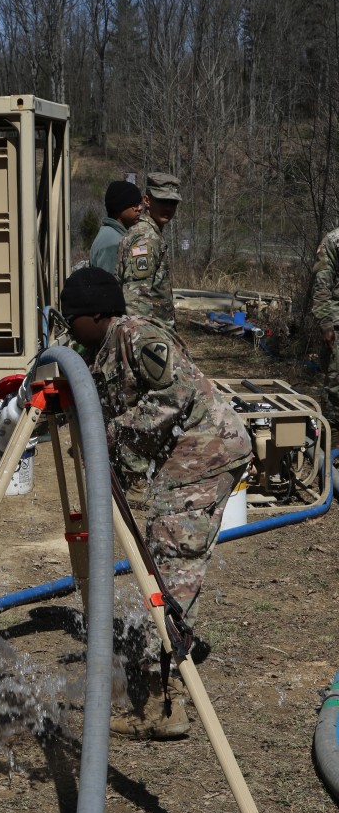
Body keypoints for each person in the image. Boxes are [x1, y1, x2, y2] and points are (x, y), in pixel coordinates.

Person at [60, 267, 252, 739]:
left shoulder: (137, 335)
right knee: (160, 556)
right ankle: (157, 671)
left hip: (205, 453)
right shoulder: (102, 351)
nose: (68, 330)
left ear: (98, 314)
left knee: (170, 567)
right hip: (184, 459)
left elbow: (176, 396)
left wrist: (107, 435)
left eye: (73, 319)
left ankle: (167, 704)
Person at [115, 171, 181, 328]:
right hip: (148, 336)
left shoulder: (150, 233)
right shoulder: (146, 238)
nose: (168, 207)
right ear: (147, 200)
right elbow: (137, 300)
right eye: (162, 201)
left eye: (173, 202)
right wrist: (144, 342)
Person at [312, 229, 339, 427]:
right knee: (335, 381)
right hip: (337, 321)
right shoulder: (333, 241)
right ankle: (332, 436)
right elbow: (322, 285)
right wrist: (326, 323)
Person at [89, 180, 142, 275]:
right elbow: (108, 286)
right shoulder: (113, 244)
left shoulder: (110, 233)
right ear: (119, 208)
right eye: (134, 205)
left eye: (139, 204)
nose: (140, 208)